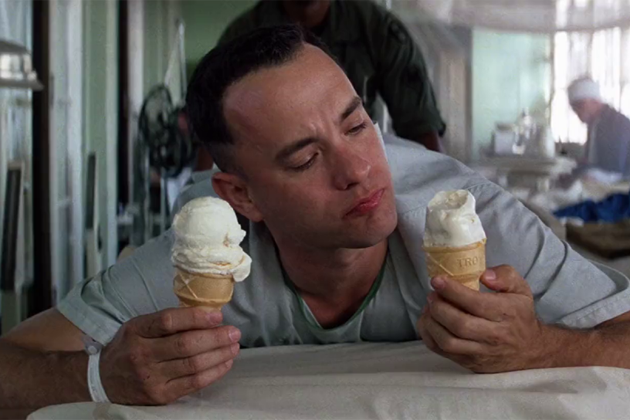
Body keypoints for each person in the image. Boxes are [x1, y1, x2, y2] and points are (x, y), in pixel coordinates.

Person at [3, 25, 630, 410]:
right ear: (243, 196)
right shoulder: (203, 253)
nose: (358, 170)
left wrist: (542, 345)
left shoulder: (472, 216)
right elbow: (13, 363)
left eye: (358, 126)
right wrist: (99, 377)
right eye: (305, 159)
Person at [218, 0, 446, 152]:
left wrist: (445, 197)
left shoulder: (376, 28)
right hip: (276, 167)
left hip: (361, 157)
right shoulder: (241, 36)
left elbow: (421, 127)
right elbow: (213, 135)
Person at [568, 77, 630, 177]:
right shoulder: (594, 124)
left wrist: (581, 172)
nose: (577, 112)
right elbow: (592, 160)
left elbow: (615, 169)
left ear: (595, 102)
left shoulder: (617, 123)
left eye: (579, 106)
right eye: (573, 107)